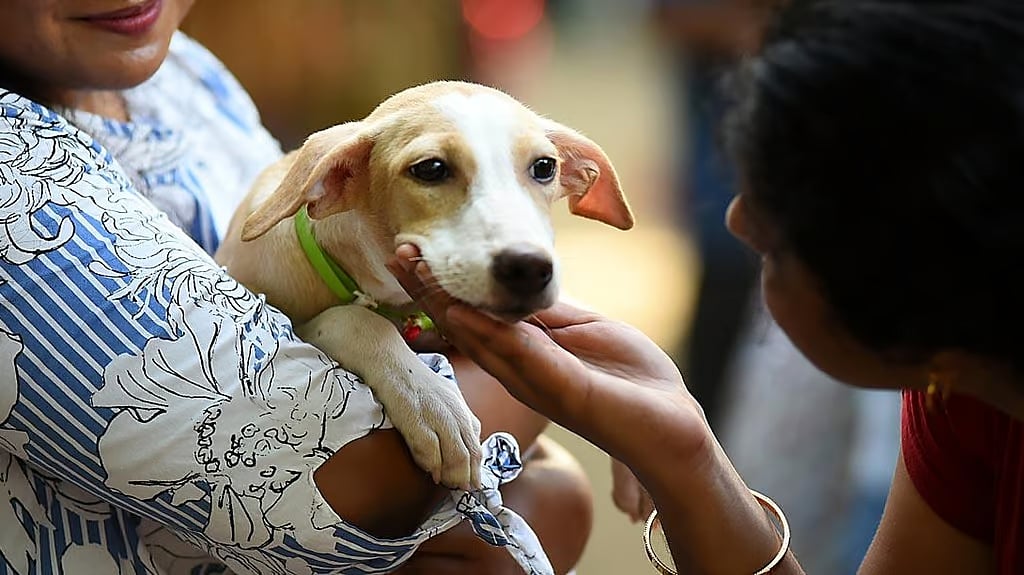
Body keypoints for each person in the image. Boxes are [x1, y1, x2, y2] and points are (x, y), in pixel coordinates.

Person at [389, 0, 1024, 573]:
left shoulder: (960, 383)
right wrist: (682, 451)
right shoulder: (963, 394)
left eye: (788, 197)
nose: (739, 218)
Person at [0, 1, 591, 574]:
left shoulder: (179, 69)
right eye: (433, 170)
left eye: (542, 168)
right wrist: (576, 395)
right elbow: (354, 480)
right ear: (330, 180)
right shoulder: (21, 192)